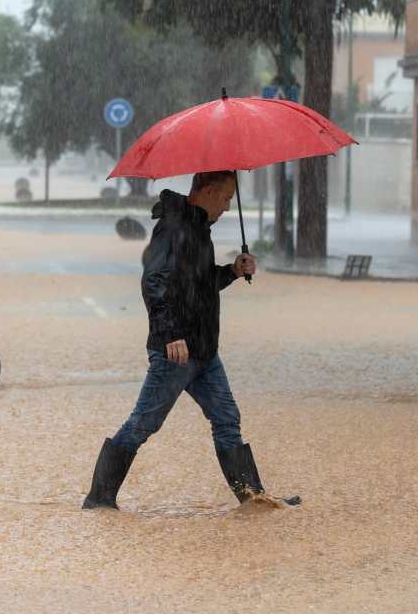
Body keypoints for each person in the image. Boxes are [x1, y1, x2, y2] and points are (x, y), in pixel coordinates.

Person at [82, 170, 299, 510]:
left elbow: (198, 285)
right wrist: (171, 335)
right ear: (209, 191)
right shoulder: (173, 229)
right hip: (177, 352)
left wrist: (231, 271)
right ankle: (99, 499)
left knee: (227, 419)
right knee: (142, 424)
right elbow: (153, 283)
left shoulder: (198, 228)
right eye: (226, 198)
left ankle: (254, 499)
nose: (228, 206)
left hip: (204, 351)